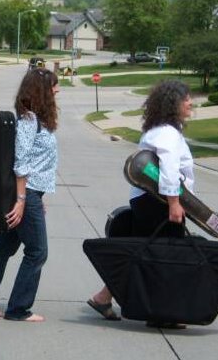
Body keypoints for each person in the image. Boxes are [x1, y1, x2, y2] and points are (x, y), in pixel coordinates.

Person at [87, 80, 194, 329]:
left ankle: (104, 297)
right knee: (167, 255)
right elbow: (168, 168)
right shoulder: (166, 132)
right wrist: (174, 203)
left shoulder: (160, 129)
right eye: (186, 98)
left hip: (149, 199)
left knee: (143, 251)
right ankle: (161, 311)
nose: (191, 103)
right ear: (173, 103)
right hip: (158, 200)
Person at [0, 68, 60, 322]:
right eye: (54, 86)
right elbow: (21, 162)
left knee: (4, 247)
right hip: (25, 194)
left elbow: (38, 164)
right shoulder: (30, 121)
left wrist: (38, 199)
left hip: (31, 195)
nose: (57, 90)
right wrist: (21, 201)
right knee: (37, 251)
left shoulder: (38, 120)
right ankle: (19, 309)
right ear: (42, 91)